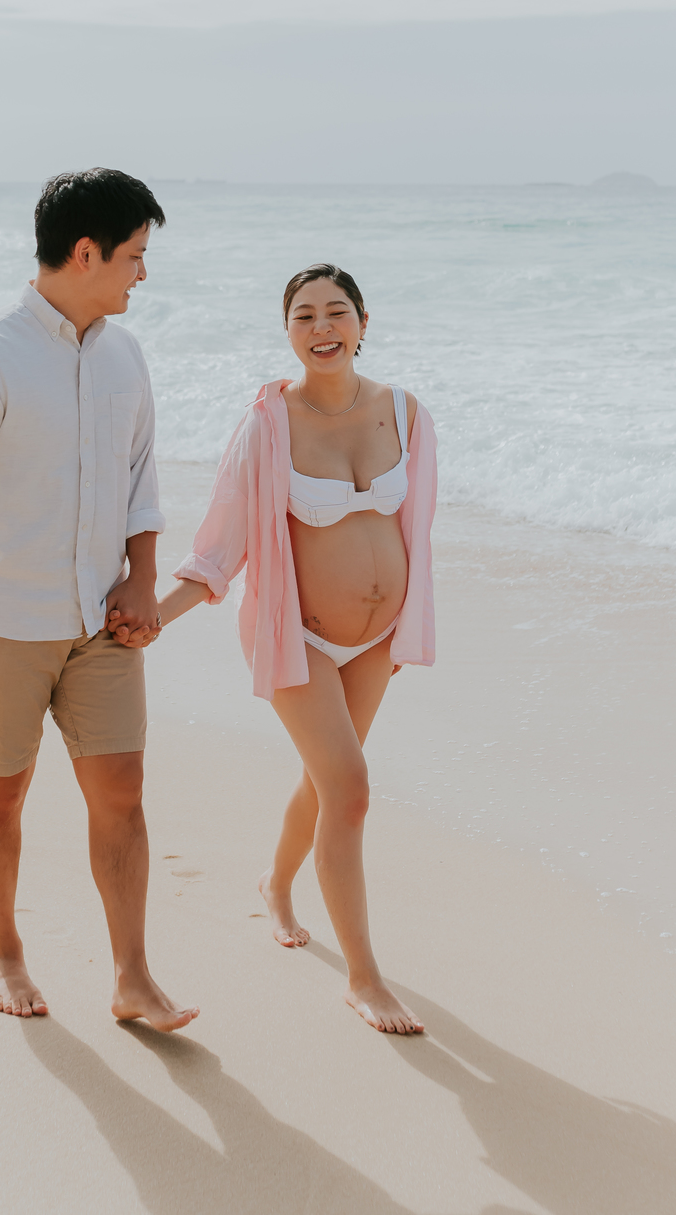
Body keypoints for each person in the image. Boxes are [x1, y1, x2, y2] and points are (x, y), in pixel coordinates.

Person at [0, 168, 197, 1031]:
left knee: (123, 793)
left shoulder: (124, 356)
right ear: (85, 252)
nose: (142, 274)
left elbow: (143, 479)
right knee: (1, 794)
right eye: (135, 256)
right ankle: (3, 949)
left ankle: (133, 977)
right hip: (4, 626)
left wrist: (144, 578)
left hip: (101, 623)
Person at [113, 264, 436, 1035]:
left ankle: (276, 884)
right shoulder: (268, 424)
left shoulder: (407, 413)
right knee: (350, 787)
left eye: (335, 312)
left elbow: (412, 529)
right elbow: (223, 542)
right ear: (287, 332)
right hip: (299, 636)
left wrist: (399, 620)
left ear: (362, 321)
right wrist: (159, 612)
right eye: (303, 316)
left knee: (328, 780)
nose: (321, 327)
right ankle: (364, 978)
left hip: (375, 639)